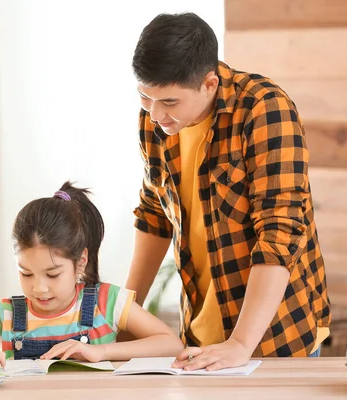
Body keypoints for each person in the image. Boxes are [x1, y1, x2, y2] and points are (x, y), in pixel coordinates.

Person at [125, 12, 331, 371]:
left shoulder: (264, 110)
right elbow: (155, 215)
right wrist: (126, 319)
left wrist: (240, 343)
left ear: (209, 84)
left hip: (274, 337)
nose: (155, 114)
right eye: (145, 97)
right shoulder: (155, 119)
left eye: (169, 102)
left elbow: (279, 233)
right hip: (200, 339)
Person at [0, 182, 183, 366]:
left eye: (52, 275)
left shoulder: (107, 301)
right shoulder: (5, 314)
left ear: (81, 262)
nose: (39, 288)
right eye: (26, 274)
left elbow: (171, 344)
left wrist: (100, 352)